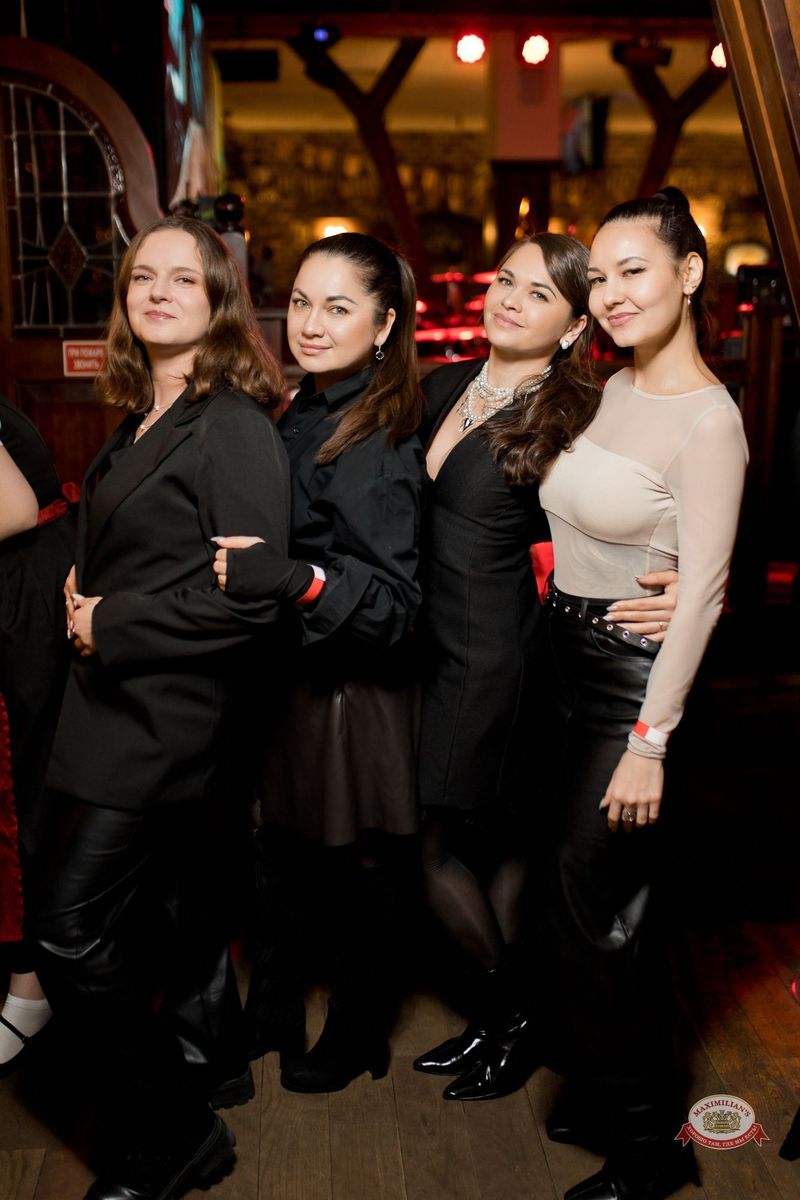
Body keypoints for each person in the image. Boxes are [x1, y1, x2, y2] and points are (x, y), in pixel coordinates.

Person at [33, 214, 292, 1200]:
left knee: (67, 930)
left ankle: (173, 1139)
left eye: (184, 279)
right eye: (144, 276)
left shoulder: (230, 424)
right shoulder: (147, 415)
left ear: (219, 301)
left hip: (164, 722)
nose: (158, 292)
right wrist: (84, 587)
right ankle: (199, 1071)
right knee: (166, 913)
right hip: (112, 711)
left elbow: (251, 599)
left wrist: (115, 621)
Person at [412, 233, 678, 1102]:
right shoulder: (444, 384)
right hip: (423, 646)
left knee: (431, 844)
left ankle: (513, 1016)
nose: (509, 300)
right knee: (490, 842)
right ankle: (507, 1017)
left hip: (490, 656)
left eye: (538, 294)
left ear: (572, 328)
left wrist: (680, 574)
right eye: (505, 281)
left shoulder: (576, 414)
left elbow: (644, 502)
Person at [539, 188, 747, 1200]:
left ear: (689, 273)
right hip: (564, 658)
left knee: (598, 915)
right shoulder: (606, 382)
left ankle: (646, 1149)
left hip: (630, 684)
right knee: (586, 907)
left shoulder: (708, 421)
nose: (612, 293)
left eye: (634, 271)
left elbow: (700, 590)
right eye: (599, 278)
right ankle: (605, 1086)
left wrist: (648, 741)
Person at [213, 232, 425, 1093]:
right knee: (284, 851)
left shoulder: (375, 435)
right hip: (291, 669)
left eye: (338, 308)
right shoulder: (305, 402)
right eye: (302, 301)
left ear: (385, 325)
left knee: (355, 863)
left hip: (350, 686)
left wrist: (294, 578)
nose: (310, 323)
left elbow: (393, 604)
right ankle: (275, 1007)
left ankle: (359, 1028)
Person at [0, 402, 74, 1074]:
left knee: (24, 800)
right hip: (22, 592)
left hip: (20, 602)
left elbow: (13, 511)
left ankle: (33, 988)